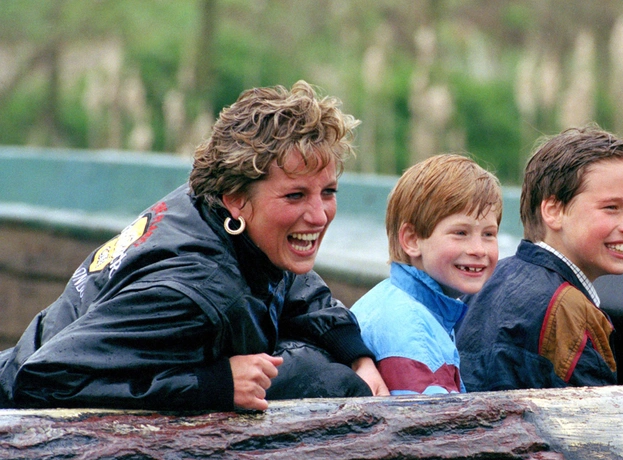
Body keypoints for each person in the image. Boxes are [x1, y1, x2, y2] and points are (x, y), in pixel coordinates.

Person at [0, 80, 389, 411]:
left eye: (329, 192)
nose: (319, 215)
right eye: (295, 196)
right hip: (21, 427)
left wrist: (356, 354)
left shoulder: (213, 210)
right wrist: (214, 384)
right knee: (327, 382)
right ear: (236, 199)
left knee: (325, 367)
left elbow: (291, 281)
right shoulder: (195, 291)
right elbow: (41, 379)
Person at [456, 124, 623, 392]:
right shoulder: (572, 312)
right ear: (553, 211)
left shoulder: (487, 280)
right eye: (611, 207)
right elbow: (594, 415)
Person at [351, 154, 502, 395]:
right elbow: (428, 418)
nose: (479, 250)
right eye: (460, 233)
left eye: (488, 234)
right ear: (412, 240)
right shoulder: (413, 333)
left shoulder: (396, 300)